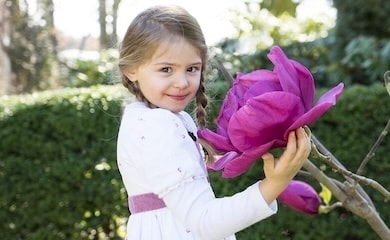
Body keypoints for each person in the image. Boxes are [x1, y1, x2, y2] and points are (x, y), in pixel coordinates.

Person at [116, 5, 311, 240]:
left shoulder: (149, 117)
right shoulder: (157, 126)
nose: (181, 82)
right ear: (130, 70)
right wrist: (275, 184)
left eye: (191, 69)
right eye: (166, 69)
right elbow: (205, 223)